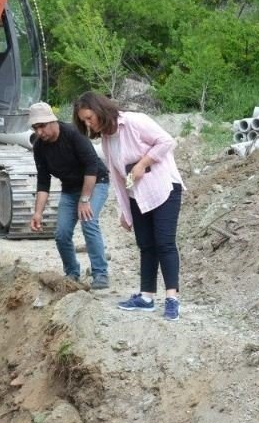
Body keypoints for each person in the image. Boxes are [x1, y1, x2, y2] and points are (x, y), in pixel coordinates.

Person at [73, 92, 185, 321]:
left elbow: (166, 141)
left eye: (89, 118)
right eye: (84, 121)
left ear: (99, 110)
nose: (88, 124)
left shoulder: (134, 121)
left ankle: (172, 299)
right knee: (145, 245)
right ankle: (146, 297)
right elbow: (118, 179)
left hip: (164, 188)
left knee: (164, 243)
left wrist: (143, 163)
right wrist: (125, 211)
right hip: (137, 195)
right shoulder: (107, 140)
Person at [28, 101, 110, 290]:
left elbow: (91, 166)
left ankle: (100, 273)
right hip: (70, 188)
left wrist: (85, 199)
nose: (39, 132)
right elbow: (43, 181)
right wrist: (38, 213)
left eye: (42, 126)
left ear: (52, 120)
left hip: (96, 182)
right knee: (62, 233)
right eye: (35, 128)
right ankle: (72, 272)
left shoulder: (73, 134)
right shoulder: (39, 147)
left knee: (88, 221)